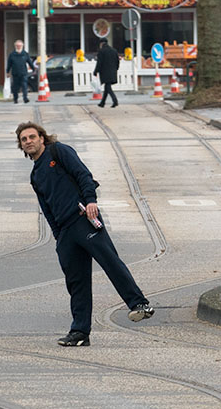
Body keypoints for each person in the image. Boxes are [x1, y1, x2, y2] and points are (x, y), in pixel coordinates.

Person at [16, 122, 154, 346]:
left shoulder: (59, 151)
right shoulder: (35, 175)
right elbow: (46, 207)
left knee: (110, 261)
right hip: (65, 232)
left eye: (32, 136)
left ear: (42, 138)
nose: (29, 141)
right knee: (76, 282)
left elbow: (83, 175)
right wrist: (58, 237)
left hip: (83, 218)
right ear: (21, 146)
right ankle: (80, 332)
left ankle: (139, 304)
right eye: (24, 139)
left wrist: (91, 201)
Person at [93, 40, 120, 108]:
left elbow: (99, 63)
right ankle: (102, 103)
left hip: (105, 72)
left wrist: (96, 71)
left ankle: (115, 101)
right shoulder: (114, 50)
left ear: (101, 44)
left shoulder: (101, 51)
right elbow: (117, 61)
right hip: (113, 71)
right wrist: (116, 69)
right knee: (107, 87)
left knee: (108, 87)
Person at [6, 39, 34, 104]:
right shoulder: (12, 54)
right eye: (17, 46)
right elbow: (9, 64)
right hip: (15, 73)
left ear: (22, 46)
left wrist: (33, 69)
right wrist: (7, 72)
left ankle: (25, 98)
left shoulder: (25, 54)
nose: (18, 47)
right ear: (15, 46)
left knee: (24, 86)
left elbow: (29, 62)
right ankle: (15, 98)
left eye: (20, 46)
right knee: (15, 87)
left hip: (23, 73)